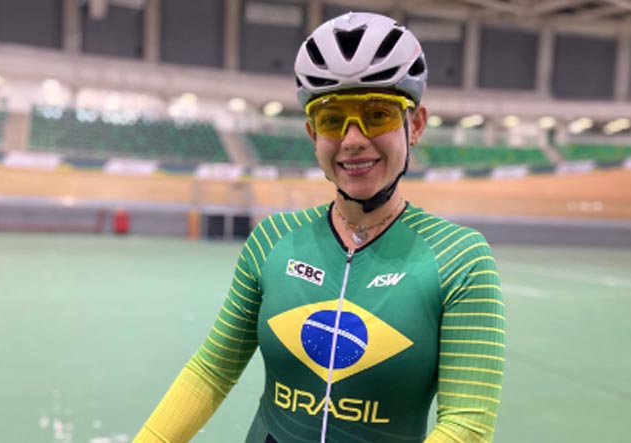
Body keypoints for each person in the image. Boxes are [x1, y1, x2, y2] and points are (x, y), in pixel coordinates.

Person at [134, 12, 504, 443]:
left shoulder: (460, 258)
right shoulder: (273, 239)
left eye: (377, 115)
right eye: (332, 119)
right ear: (313, 134)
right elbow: (211, 372)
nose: (353, 139)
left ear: (416, 125)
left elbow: (467, 425)